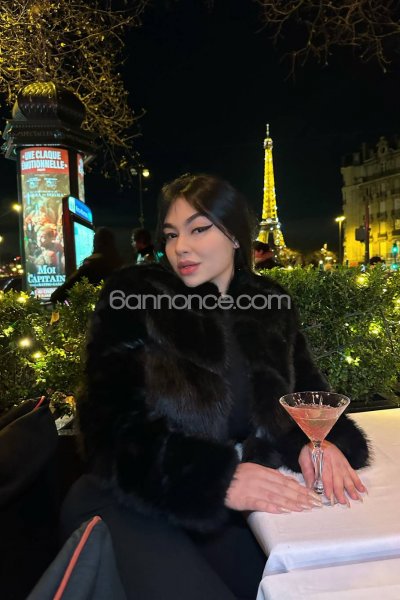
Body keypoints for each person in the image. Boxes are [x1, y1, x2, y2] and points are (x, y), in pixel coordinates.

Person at [62, 174, 370, 600]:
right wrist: (216, 478)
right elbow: (107, 427)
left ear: (236, 235)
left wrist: (318, 441)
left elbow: (305, 394)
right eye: (171, 234)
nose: (180, 247)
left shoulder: (270, 303)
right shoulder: (134, 295)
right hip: (131, 501)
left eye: (199, 229)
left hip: (231, 509)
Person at [50, 227, 123, 304]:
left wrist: (55, 297)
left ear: (96, 243)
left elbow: (69, 285)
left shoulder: (93, 264)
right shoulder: (119, 264)